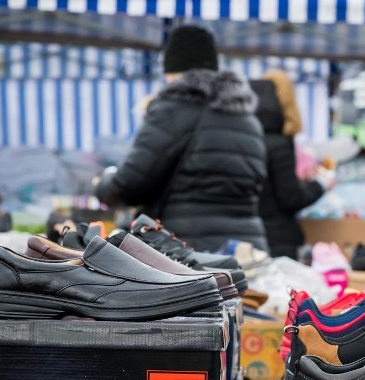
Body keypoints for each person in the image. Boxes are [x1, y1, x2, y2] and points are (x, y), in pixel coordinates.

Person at [96, 25, 268, 252]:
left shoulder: (173, 110)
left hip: (184, 256)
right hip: (246, 251)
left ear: (171, 71)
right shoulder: (247, 119)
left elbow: (129, 186)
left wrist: (104, 183)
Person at [253, 71, 327, 259]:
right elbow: (290, 198)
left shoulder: (248, 138)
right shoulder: (279, 143)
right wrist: (320, 183)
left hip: (251, 234)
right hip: (277, 238)